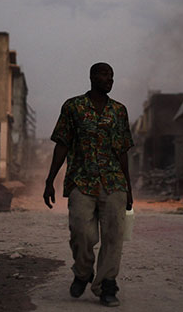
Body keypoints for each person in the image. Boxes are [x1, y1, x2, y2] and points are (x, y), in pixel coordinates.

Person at [43, 62, 133, 307]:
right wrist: (50, 180)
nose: (110, 79)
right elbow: (62, 143)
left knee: (113, 236)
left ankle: (107, 284)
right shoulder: (73, 107)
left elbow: (123, 151)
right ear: (92, 77)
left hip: (114, 182)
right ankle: (83, 273)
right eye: (105, 75)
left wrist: (129, 188)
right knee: (82, 233)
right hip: (81, 181)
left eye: (112, 76)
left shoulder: (119, 111)